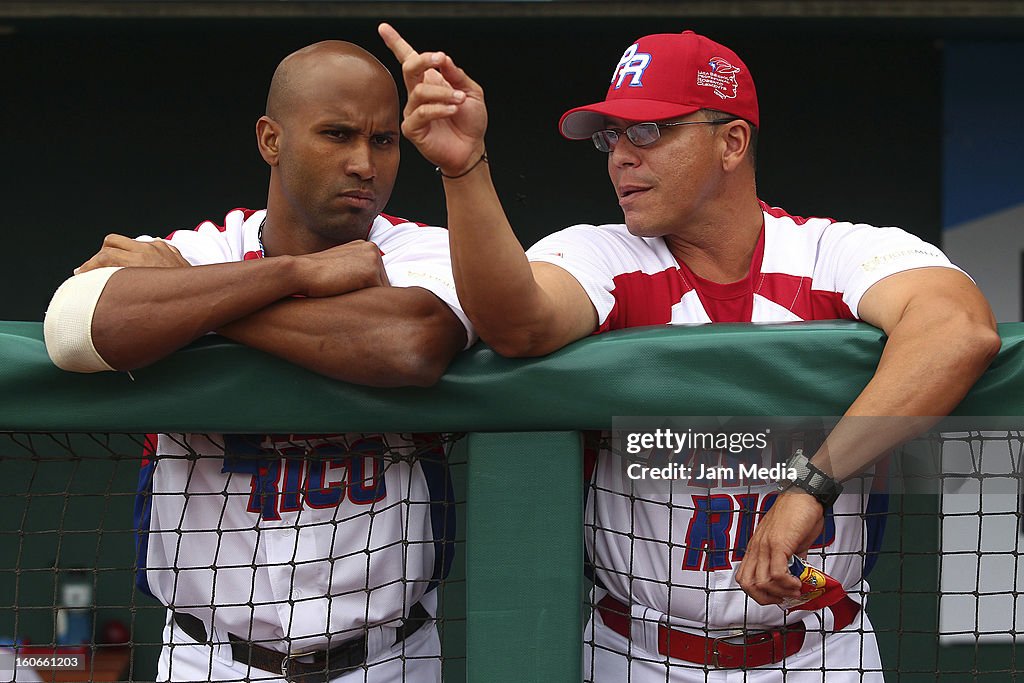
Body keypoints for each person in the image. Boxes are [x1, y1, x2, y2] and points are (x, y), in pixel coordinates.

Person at [379, 23, 1000, 682]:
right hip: (637, 651)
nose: (620, 155)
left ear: (731, 142)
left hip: (821, 650)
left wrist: (807, 491)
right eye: (610, 136)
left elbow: (960, 330)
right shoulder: (604, 252)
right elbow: (516, 325)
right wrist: (464, 167)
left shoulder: (829, 252)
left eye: (647, 131)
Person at [43, 40, 475, 683]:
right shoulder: (205, 247)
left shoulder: (422, 250)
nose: (364, 163)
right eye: (336, 134)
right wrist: (297, 274)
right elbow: (79, 325)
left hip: (387, 656)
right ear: (272, 140)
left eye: (384, 141)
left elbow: (409, 343)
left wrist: (201, 298)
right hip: (208, 656)